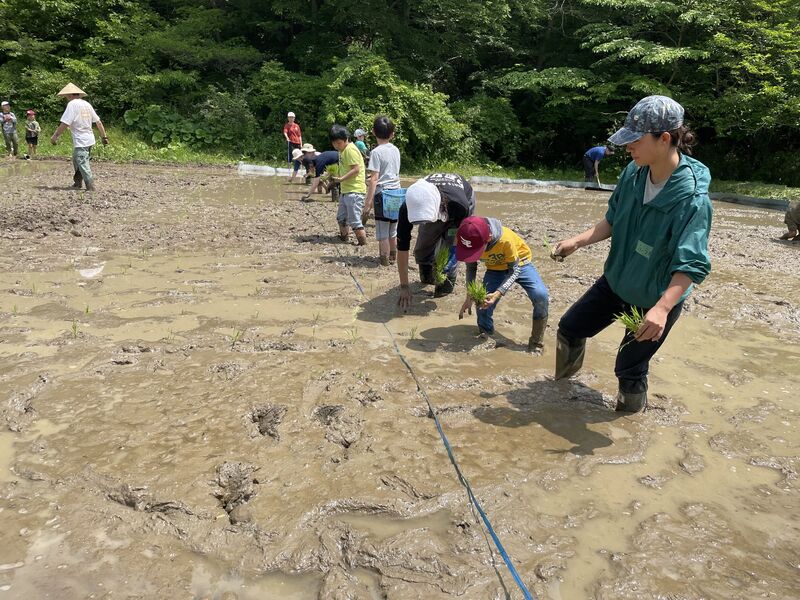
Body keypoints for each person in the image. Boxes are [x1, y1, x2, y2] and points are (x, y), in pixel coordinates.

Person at [553, 95, 712, 413]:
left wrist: (662, 310)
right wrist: (578, 241)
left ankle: (629, 421)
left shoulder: (692, 199)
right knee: (570, 328)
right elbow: (614, 219)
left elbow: (691, 264)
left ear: (664, 139)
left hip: (653, 298)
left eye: (635, 140)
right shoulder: (633, 173)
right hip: (617, 280)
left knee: (628, 368)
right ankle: (562, 387)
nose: (628, 147)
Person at [456, 216, 550, 354]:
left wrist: (498, 292)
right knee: (482, 303)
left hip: (520, 264)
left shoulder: (505, 240)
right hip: (495, 268)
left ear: (488, 238)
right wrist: (469, 294)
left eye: (476, 251)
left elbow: (515, 270)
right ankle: (486, 334)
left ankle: (536, 343)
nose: (474, 255)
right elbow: (471, 267)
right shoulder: (469, 237)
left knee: (541, 295)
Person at [397, 173, 476, 308]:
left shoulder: (459, 205)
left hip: (459, 201)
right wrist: (404, 286)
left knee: (448, 249)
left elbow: (459, 238)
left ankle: (445, 286)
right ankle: (427, 275)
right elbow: (402, 248)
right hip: (435, 202)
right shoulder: (406, 207)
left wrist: (451, 257)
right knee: (423, 244)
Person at [50, 83, 108, 191]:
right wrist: (104, 137)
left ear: (70, 95)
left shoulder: (72, 104)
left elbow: (65, 123)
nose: (66, 98)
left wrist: (55, 136)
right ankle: (77, 183)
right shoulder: (87, 104)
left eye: (66, 96)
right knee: (77, 160)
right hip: (90, 139)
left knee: (82, 162)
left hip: (81, 140)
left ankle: (90, 185)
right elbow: (98, 122)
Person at [364, 116, 401, 266]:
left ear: (373, 132)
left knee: (382, 233)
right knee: (393, 229)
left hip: (383, 194)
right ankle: (393, 257)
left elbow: (374, 179)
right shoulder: (396, 150)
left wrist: (368, 203)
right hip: (398, 193)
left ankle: (384, 261)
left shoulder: (376, 152)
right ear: (392, 134)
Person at [329, 124, 367, 245]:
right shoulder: (343, 150)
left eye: (339, 143)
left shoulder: (350, 150)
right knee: (341, 218)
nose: (336, 146)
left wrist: (340, 179)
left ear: (346, 139)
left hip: (354, 191)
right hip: (346, 190)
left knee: (354, 220)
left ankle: (362, 243)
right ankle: (344, 238)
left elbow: (356, 169)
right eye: (334, 143)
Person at [283, 111, 303, 181]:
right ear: (288, 118)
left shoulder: (297, 126)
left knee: (300, 156)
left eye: (292, 117)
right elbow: (285, 132)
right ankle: (290, 169)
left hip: (297, 142)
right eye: (290, 117)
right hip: (291, 142)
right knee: (291, 155)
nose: (291, 118)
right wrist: (287, 138)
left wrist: (301, 143)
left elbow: (299, 135)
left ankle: (300, 168)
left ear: (294, 118)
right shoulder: (287, 125)